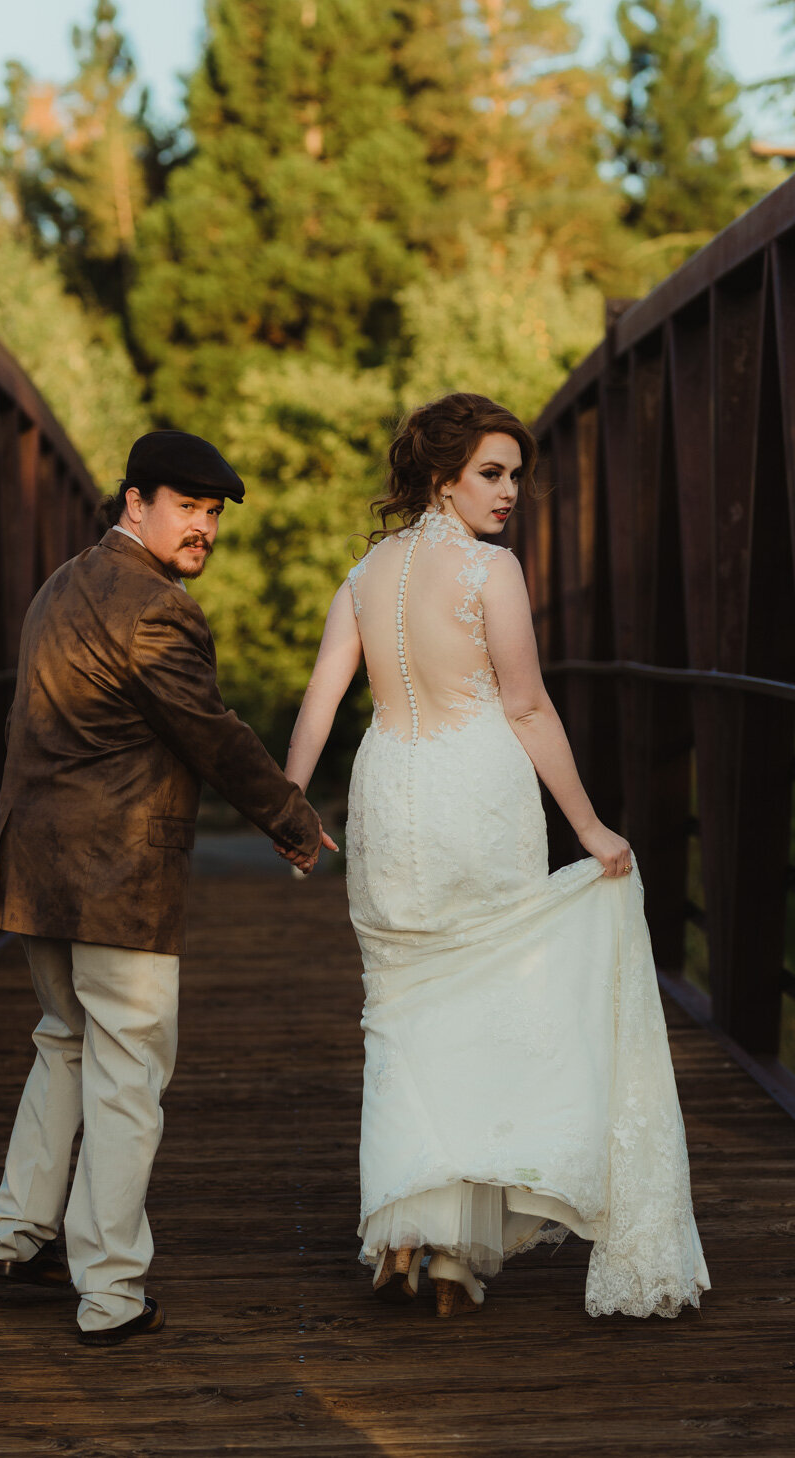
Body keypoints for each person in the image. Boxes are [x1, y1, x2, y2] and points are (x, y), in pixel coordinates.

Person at [283, 392, 709, 1319]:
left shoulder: (362, 574)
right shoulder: (491, 571)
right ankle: (448, 1252)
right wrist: (591, 827)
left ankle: (412, 1235)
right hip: (477, 795)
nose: (511, 490)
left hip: (388, 792)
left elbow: (322, 697)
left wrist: (289, 801)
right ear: (443, 475)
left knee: (400, 1011)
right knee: (478, 1003)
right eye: (491, 472)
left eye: (516, 474)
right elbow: (524, 708)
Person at [0, 430, 335, 1347]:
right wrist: (294, 823)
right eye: (187, 507)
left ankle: (19, 1235)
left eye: (214, 513)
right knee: (128, 1073)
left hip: (35, 866)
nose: (205, 527)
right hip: (113, 877)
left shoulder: (61, 582)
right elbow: (210, 733)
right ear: (134, 503)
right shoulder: (157, 610)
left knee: (64, 1041)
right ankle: (110, 1294)